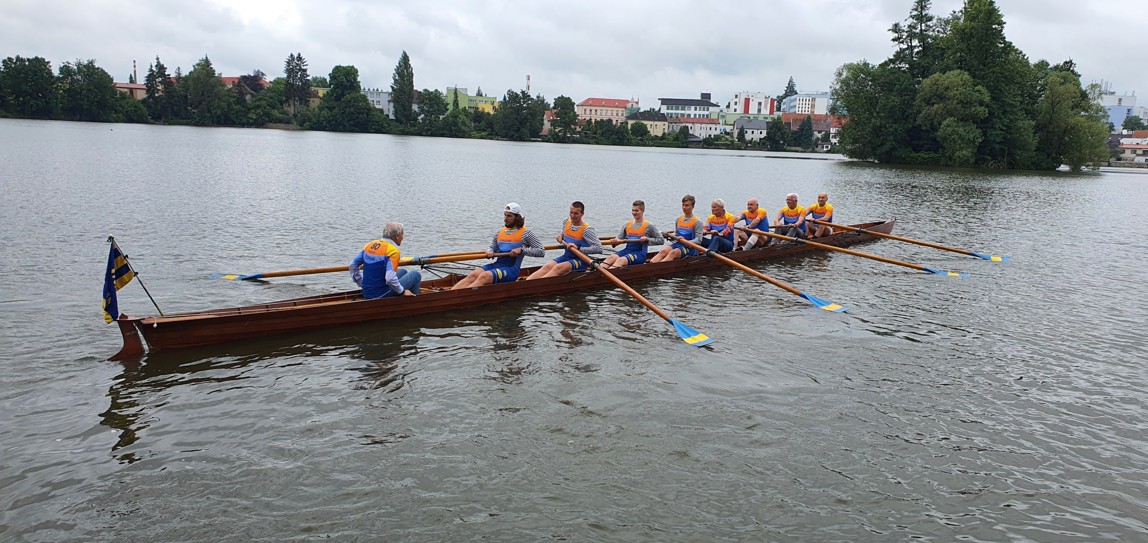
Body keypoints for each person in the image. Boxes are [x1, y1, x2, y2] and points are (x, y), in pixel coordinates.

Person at [451, 203, 545, 289]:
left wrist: (522, 250)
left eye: (509, 216)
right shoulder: (499, 232)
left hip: (511, 270)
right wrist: (490, 250)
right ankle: (452, 293)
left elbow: (541, 251)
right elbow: (492, 247)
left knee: (485, 276)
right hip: (497, 265)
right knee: (474, 274)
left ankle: (460, 297)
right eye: (505, 215)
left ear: (517, 217)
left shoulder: (527, 233)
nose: (506, 218)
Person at [526, 201, 603, 280]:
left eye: (576, 213)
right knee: (547, 266)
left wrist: (578, 248)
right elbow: (564, 233)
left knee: (558, 268)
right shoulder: (566, 222)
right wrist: (561, 236)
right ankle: (527, 282)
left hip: (581, 261)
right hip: (566, 257)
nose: (573, 216)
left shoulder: (587, 230)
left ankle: (537, 284)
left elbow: (599, 248)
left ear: (582, 214)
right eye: (571, 212)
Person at [350, 222, 420, 299]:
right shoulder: (393, 251)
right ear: (397, 236)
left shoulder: (370, 245)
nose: (403, 237)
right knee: (415, 274)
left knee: (403, 271)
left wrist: (362, 283)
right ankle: (414, 301)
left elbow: (352, 265)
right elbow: (390, 278)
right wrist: (402, 291)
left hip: (367, 292)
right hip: (381, 294)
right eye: (402, 234)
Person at [601, 200, 663, 269]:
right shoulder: (627, 224)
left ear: (642, 211)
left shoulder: (649, 225)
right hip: (627, 250)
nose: (634, 213)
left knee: (621, 260)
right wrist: (614, 242)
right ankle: (599, 273)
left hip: (640, 254)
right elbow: (619, 239)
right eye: (633, 210)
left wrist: (647, 240)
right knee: (611, 257)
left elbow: (661, 240)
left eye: (636, 211)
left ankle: (609, 274)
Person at [652, 194, 704, 263]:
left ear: (693, 207)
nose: (684, 207)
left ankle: (658, 268)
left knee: (672, 253)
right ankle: (650, 265)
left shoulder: (698, 222)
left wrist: (685, 241)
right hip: (678, 244)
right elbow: (676, 235)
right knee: (663, 251)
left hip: (690, 248)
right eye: (683, 205)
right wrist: (668, 235)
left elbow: (699, 240)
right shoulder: (678, 219)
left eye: (687, 205)